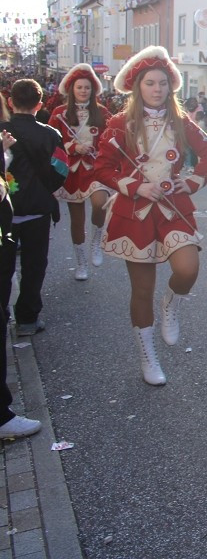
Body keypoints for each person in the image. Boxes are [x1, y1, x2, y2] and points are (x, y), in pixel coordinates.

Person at [95, 47, 207, 385]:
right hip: (134, 212)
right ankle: (148, 357)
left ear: (171, 86)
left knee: (187, 269)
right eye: (150, 83)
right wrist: (134, 185)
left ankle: (171, 303)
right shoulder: (120, 123)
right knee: (141, 290)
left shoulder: (181, 121)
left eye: (163, 83)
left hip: (173, 207)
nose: (157, 89)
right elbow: (102, 166)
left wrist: (192, 180)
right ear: (138, 87)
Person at [0, 79, 69, 338]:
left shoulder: (1, 132)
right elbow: (62, 169)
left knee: (3, 266)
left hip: (4, 212)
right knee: (34, 265)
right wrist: (46, 187)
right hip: (38, 210)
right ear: (39, 105)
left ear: (10, 102)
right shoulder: (51, 134)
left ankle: (2, 315)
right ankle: (27, 318)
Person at [47, 64, 112, 280]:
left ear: (93, 90)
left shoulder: (102, 112)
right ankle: (81, 262)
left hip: (94, 169)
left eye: (87, 88)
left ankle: (97, 240)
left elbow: (111, 139)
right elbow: (52, 143)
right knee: (77, 220)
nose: (83, 91)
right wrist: (73, 147)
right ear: (72, 90)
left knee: (100, 203)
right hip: (72, 172)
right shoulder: (59, 114)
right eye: (79, 87)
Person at [0, 121, 42, 439]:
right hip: (30, 209)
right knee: (33, 265)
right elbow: (57, 166)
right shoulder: (48, 130)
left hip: (16, 217)